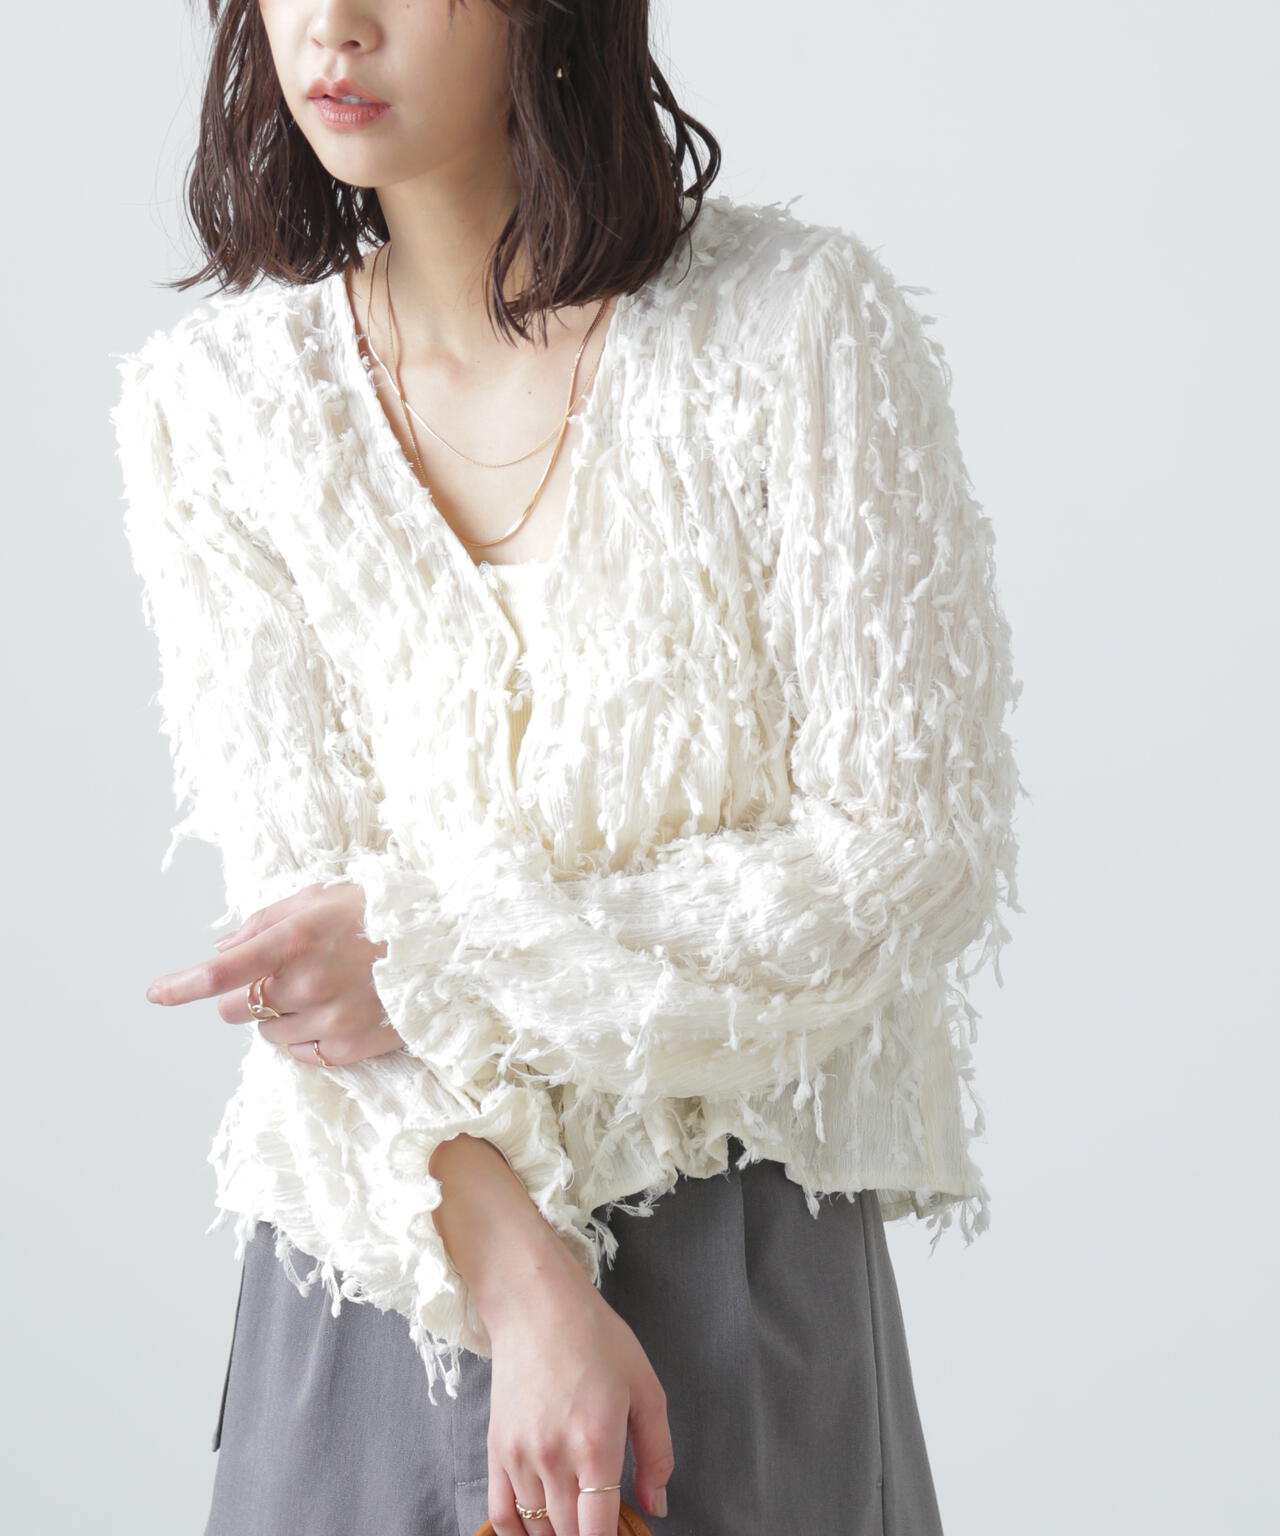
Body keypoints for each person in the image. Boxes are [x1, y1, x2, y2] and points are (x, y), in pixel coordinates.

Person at [111, 4, 1023, 1534]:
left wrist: (432, 955)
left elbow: (906, 855)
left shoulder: (795, 328)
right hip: (384, 1276)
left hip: (739, 1273)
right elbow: (304, 956)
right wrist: (528, 1292)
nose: (334, 26)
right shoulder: (216, 411)